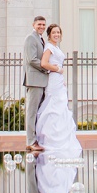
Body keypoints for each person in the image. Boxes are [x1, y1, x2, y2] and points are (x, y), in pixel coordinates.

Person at [35, 25, 83, 161]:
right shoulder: (49, 47)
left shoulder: (56, 47)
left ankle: (60, 139)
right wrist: (57, 69)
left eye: (58, 32)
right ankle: (51, 139)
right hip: (53, 79)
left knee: (61, 108)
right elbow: (44, 63)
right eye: (54, 32)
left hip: (58, 81)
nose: (56, 34)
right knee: (53, 107)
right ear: (49, 35)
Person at [23, 15, 49, 154]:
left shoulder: (40, 39)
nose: (41, 27)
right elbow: (32, 59)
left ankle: (35, 139)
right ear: (33, 25)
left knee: (38, 112)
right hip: (34, 81)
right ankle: (30, 141)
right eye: (39, 24)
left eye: (43, 25)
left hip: (41, 81)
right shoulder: (30, 39)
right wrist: (47, 67)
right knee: (31, 112)